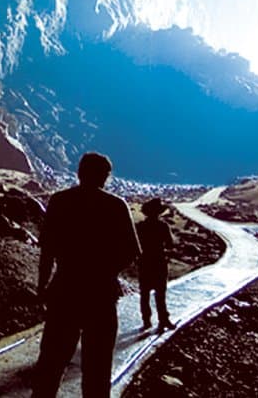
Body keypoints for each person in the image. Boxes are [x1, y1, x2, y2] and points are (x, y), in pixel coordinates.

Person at [33, 152, 141, 398]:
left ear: (79, 172)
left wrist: (43, 287)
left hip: (64, 291)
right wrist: (106, 272)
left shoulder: (60, 201)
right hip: (101, 297)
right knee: (98, 369)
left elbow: (47, 251)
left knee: (51, 364)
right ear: (105, 177)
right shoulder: (116, 205)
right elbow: (131, 253)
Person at [136, 197, 176, 333]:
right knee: (160, 294)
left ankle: (146, 321)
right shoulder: (163, 226)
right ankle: (163, 320)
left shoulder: (140, 227)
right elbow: (170, 244)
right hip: (159, 262)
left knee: (144, 294)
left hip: (144, 263)